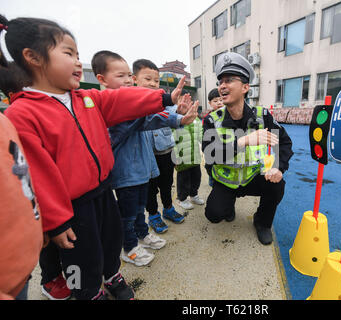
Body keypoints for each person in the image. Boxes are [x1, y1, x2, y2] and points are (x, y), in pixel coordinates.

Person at [1, 16, 185, 300]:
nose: (77, 62)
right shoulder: (22, 113)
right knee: (81, 258)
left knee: (110, 243)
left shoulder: (86, 98)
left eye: (77, 54)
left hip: (102, 191)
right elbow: (38, 175)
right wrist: (56, 221)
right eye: (68, 53)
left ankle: (112, 276)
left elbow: (120, 100)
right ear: (33, 57)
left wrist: (163, 98)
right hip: (70, 206)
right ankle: (86, 293)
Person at [92, 51, 197, 266]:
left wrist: (179, 117)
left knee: (139, 209)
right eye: (120, 76)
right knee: (128, 214)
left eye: (127, 76)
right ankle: (128, 247)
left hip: (142, 169)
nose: (127, 80)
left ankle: (142, 235)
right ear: (101, 79)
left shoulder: (133, 104)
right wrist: (176, 116)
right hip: (126, 173)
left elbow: (152, 118)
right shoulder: (109, 108)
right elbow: (147, 120)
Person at [202, 52, 293, 245]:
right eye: (220, 82)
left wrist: (278, 167)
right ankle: (229, 205)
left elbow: (283, 142)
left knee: (277, 185)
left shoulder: (263, 116)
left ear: (245, 87)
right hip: (225, 181)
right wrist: (244, 141)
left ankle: (262, 222)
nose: (222, 86)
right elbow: (211, 155)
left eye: (229, 80)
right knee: (214, 215)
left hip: (253, 177)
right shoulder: (213, 120)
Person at [0, 58, 71, 300]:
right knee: (50, 249)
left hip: (48, 202)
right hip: (40, 200)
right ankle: (50, 279)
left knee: (56, 244)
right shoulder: (16, 116)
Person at [0, 44, 42, 300]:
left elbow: (22, 178)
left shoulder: (5, 123)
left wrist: (37, 222)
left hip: (22, 264)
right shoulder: (18, 114)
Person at [132, 59, 187, 234]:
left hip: (166, 151)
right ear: (135, 79)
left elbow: (172, 114)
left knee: (167, 182)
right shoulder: (131, 103)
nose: (152, 84)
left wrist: (179, 112)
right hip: (146, 155)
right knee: (149, 187)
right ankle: (154, 215)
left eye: (156, 81)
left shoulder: (163, 99)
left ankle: (168, 208)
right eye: (147, 79)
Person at [172, 96, 204, 210]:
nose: (186, 105)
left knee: (196, 177)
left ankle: (193, 195)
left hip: (195, 156)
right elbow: (172, 140)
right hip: (181, 158)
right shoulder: (174, 120)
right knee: (183, 180)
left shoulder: (196, 119)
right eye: (182, 102)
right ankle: (182, 199)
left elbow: (201, 135)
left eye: (188, 102)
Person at [204, 88, 224, 187]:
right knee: (214, 177)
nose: (219, 103)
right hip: (213, 154)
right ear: (210, 103)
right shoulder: (209, 118)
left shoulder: (230, 115)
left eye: (221, 100)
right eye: (215, 101)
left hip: (227, 153)